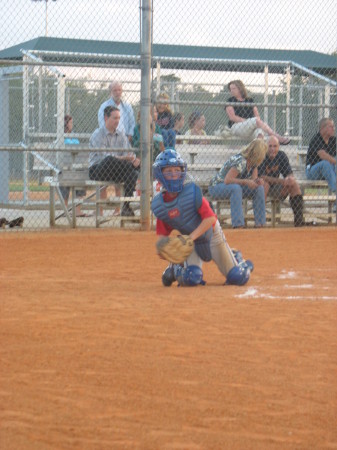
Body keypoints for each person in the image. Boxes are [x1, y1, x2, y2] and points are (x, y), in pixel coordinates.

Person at [151, 149, 253, 287]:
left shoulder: (191, 192)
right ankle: (175, 269)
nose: (174, 175)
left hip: (211, 234)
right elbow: (162, 238)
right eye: (169, 172)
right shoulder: (161, 205)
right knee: (191, 278)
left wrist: (189, 238)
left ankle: (237, 258)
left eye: (177, 170)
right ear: (160, 175)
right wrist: (163, 250)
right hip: (191, 241)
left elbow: (210, 219)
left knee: (237, 277)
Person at [89, 106, 140, 217]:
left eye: (118, 118)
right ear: (106, 118)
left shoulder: (121, 135)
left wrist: (134, 159)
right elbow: (103, 156)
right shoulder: (98, 134)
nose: (117, 121)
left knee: (133, 172)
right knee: (110, 160)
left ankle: (126, 206)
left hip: (116, 170)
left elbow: (129, 152)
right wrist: (126, 159)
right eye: (114, 118)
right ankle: (130, 166)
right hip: (98, 170)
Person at [208, 139, 267, 228]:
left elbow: (253, 180)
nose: (263, 157)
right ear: (257, 154)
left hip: (235, 187)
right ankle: (238, 225)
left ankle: (260, 223)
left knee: (259, 188)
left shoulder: (254, 163)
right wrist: (246, 181)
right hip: (217, 187)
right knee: (236, 188)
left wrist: (258, 181)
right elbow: (227, 180)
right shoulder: (241, 161)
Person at [225, 80, 291, 145]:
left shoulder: (249, 100)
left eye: (234, 88)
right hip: (237, 127)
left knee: (259, 132)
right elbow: (232, 117)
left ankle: (259, 150)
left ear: (240, 88)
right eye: (230, 89)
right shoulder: (230, 100)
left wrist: (252, 122)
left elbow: (257, 116)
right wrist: (248, 121)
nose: (232, 91)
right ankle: (277, 137)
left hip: (251, 127)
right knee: (256, 121)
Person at [259, 136, 304, 227]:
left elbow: (289, 173)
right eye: (270, 146)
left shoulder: (281, 155)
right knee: (265, 184)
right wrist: (282, 181)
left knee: (294, 184)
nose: (272, 149)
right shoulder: (262, 156)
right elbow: (261, 177)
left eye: (275, 146)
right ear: (265, 147)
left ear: (279, 147)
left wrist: (289, 180)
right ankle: (260, 221)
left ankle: (299, 219)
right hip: (261, 188)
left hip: (276, 188)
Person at [60, 115, 89, 217]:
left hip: (76, 168)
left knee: (81, 176)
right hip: (65, 168)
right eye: (70, 123)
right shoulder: (60, 137)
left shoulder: (73, 136)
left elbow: (80, 151)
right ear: (65, 124)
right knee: (64, 177)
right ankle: (65, 210)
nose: (72, 125)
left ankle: (77, 210)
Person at [306, 118, 336, 196]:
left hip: (328, 173)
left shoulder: (333, 140)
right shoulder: (316, 139)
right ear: (323, 128)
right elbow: (323, 155)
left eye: (334, 126)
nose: (334, 129)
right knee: (325, 163)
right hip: (312, 172)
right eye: (331, 127)